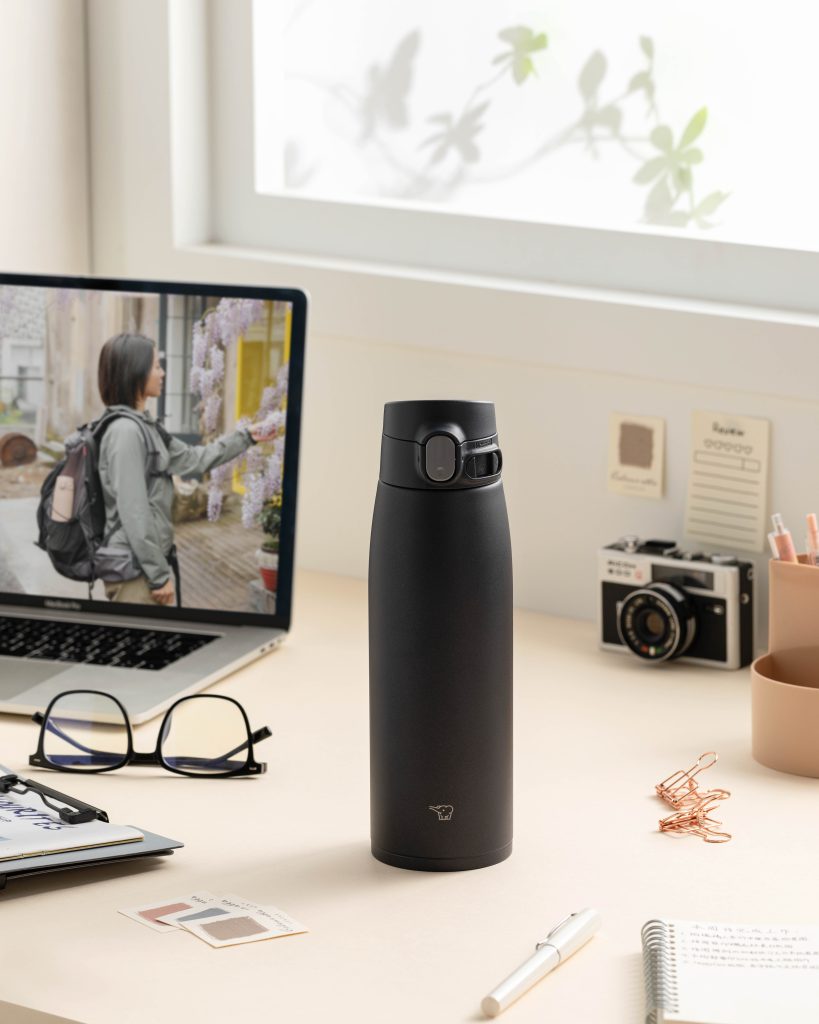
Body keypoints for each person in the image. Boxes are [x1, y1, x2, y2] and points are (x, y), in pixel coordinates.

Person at [97, 332, 273, 607]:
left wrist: (246, 437)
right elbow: (134, 510)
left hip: (144, 565)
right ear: (135, 372)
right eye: (156, 365)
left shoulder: (145, 426)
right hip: (134, 572)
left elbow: (194, 459)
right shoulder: (126, 432)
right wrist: (157, 576)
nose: (162, 372)